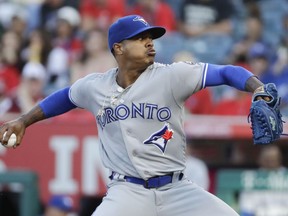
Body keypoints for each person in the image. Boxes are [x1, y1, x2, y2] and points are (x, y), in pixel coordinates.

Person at [0, 15, 272, 216]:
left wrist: (258, 89)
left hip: (177, 188)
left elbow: (226, 72)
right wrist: (24, 120)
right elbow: (63, 98)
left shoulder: (172, 75)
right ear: (119, 48)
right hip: (127, 192)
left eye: (150, 38)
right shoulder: (95, 86)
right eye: (141, 39)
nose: (150, 44)